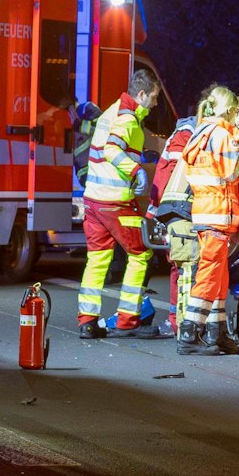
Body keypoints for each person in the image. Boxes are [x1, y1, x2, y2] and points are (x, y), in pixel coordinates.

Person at [75, 70, 163, 339]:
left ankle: (87, 320)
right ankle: (127, 318)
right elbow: (112, 149)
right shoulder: (127, 119)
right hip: (115, 203)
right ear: (141, 94)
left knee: (97, 259)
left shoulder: (113, 111)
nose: (156, 104)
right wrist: (136, 170)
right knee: (140, 254)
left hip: (93, 200)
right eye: (154, 97)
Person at [176, 86, 239, 355]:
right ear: (231, 110)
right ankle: (189, 332)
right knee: (209, 275)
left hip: (206, 212)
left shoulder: (200, 132)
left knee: (218, 276)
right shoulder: (222, 134)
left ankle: (217, 332)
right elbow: (233, 172)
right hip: (218, 213)